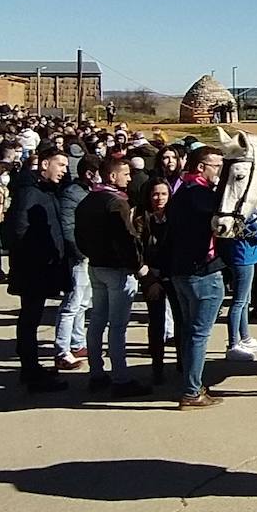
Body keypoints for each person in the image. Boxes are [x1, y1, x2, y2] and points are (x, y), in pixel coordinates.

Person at [77, 155, 153, 398]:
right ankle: (121, 377)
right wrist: (139, 266)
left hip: (96, 266)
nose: (129, 178)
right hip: (118, 270)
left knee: (97, 320)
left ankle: (96, 372)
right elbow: (126, 240)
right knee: (117, 326)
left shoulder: (88, 200)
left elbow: (80, 236)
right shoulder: (116, 203)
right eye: (126, 174)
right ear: (112, 176)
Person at [5, 145, 75, 393]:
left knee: (31, 318)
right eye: (61, 165)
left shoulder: (46, 190)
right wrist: (36, 259)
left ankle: (32, 367)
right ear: (45, 164)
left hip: (41, 267)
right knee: (29, 319)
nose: (64, 171)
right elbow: (19, 231)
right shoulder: (30, 193)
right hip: (33, 269)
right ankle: (31, 371)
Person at [162, 145, 228, 409]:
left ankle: (191, 382)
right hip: (202, 271)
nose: (220, 172)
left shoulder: (179, 193)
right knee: (199, 333)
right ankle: (191, 391)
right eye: (217, 167)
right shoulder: (203, 196)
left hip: (180, 271)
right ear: (201, 167)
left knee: (190, 330)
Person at [53, 154, 99, 371]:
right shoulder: (73, 194)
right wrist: (80, 252)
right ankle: (62, 351)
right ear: (89, 174)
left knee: (83, 303)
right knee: (71, 304)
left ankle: (78, 343)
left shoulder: (89, 192)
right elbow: (68, 226)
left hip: (91, 254)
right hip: (79, 256)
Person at [135, 177, 180, 383]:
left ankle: (182, 363)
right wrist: (150, 279)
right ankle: (157, 367)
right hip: (151, 276)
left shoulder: (175, 217)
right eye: (155, 194)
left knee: (181, 320)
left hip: (174, 274)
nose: (159, 198)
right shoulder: (141, 218)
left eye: (163, 194)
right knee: (156, 322)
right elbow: (137, 250)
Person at [223, 210, 257, 361]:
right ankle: (233, 344)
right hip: (242, 257)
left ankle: (245, 338)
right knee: (239, 302)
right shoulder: (243, 213)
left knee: (245, 301)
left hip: (248, 256)